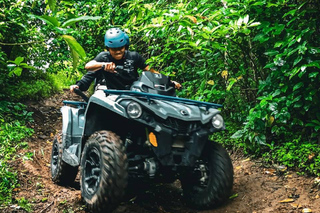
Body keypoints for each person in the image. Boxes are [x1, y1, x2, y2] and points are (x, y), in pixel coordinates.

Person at [70, 28, 181, 93]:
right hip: (107, 92)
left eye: (120, 48)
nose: (118, 51)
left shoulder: (134, 56)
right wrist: (79, 86)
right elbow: (89, 67)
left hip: (132, 92)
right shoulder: (103, 58)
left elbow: (151, 71)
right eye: (114, 49)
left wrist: (169, 82)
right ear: (108, 48)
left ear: (125, 46)